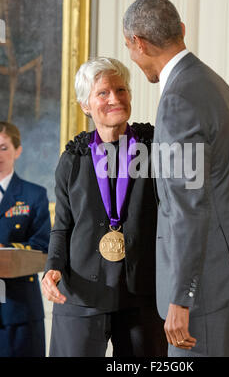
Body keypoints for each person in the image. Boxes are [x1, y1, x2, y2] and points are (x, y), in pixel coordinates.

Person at [123, 0, 229, 357]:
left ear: (139, 43)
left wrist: (181, 296)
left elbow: (189, 206)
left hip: (205, 284)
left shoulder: (178, 100)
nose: (132, 55)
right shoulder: (213, 84)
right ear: (182, 31)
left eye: (129, 47)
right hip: (226, 272)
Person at [42, 57, 167, 357]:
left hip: (142, 295)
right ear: (86, 105)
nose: (115, 98)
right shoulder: (73, 158)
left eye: (121, 90)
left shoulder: (155, 149)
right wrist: (53, 268)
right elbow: (63, 226)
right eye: (103, 93)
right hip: (81, 294)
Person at [0, 121, 50, 357]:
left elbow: (42, 248)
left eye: (3, 147)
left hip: (19, 311)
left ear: (17, 150)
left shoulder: (34, 195)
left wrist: (6, 250)